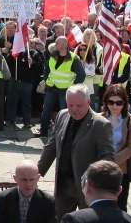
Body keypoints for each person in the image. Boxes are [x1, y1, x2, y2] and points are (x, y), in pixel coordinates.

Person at [37, 85, 116, 214]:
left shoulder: (101, 125)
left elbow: (108, 158)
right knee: (60, 222)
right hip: (63, 184)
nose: (74, 109)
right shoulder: (62, 115)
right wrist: (37, 171)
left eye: (79, 105)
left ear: (88, 102)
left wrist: (95, 179)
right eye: (70, 105)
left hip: (87, 188)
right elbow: (52, 146)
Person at [103, 85, 131, 210]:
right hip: (99, 169)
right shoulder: (97, 118)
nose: (114, 106)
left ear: (124, 103)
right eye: (111, 102)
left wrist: (110, 162)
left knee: (119, 206)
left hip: (120, 170)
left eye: (119, 103)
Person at [39, 36, 85, 137]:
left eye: (57, 43)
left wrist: (73, 87)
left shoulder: (74, 58)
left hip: (65, 90)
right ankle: (43, 130)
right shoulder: (52, 56)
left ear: (64, 45)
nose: (55, 45)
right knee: (46, 109)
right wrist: (47, 80)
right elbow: (46, 69)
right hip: (52, 87)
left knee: (65, 112)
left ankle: (65, 132)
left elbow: (81, 75)